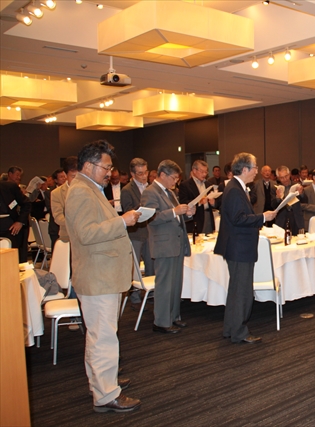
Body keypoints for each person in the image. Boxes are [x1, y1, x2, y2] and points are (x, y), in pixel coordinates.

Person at [65, 140, 141, 413]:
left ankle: (101, 383)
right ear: (88, 166)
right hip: (98, 277)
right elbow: (86, 234)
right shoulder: (81, 192)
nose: (110, 173)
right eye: (106, 167)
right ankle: (106, 394)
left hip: (102, 275)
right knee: (104, 337)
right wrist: (121, 221)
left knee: (99, 335)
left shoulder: (89, 189)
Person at [214, 152, 277, 344]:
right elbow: (238, 218)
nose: (257, 171)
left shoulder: (236, 187)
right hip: (239, 247)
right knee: (242, 292)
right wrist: (263, 217)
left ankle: (231, 329)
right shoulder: (235, 189)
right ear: (244, 169)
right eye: (255, 167)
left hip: (238, 246)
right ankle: (239, 332)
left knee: (236, 290)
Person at [141, 160, 195, 334]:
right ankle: (161, 322)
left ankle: (173, 317)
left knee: (176, 283)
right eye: (173, 178)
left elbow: (175, 217)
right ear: (162, 175)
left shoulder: (170, 192)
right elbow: (151, 218)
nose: (175, 182)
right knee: (164, 284)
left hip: (175, 242)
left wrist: (186, 214)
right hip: (163, 244)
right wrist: (174, 211)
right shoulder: (150, 192)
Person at [120, 158, 154, 309]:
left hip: (150, 231)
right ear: (132, 174)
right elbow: (128, 210)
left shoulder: (151, 187)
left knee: (151, 263)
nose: (144, 176)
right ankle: (134, 296)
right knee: (134, 266)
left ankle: (151, 293)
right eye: (140, 173)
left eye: (146, 172)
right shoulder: (127, 190)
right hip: (136, 232)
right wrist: (143, 206)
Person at [179, 159, 214, 234]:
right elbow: (183, 202)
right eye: (202, 171)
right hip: (196, 217)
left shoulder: (208, 184)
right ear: (194, 170)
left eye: (206, 172)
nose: (204, 174)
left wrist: (213, 202)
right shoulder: (185, 185)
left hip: (208, 215)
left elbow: (215, 201)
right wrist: (199, 202)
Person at [0, 178, 30, 262]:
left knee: (14, 257)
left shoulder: (9, 187)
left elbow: (26, 204)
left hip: (10, 225)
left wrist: (20, 222)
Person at [272, 166, 304, 233]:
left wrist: (301, 193)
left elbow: (305, 200)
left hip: (296, 219)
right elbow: (272, 205)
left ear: (289, 174)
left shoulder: (297, 185)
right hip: (282, 219)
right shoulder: (275, 188)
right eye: (282, 177)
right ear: (278, 178)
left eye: (286, 176)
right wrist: (278, 198)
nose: (285, 179)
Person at [45, 168, 66, 249]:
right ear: (56, 180)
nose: (64, 178)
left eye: (64, 176)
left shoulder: (72, 190)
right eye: (61, 177)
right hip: (55, 226)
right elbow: (50, 208)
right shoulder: (50, 192)